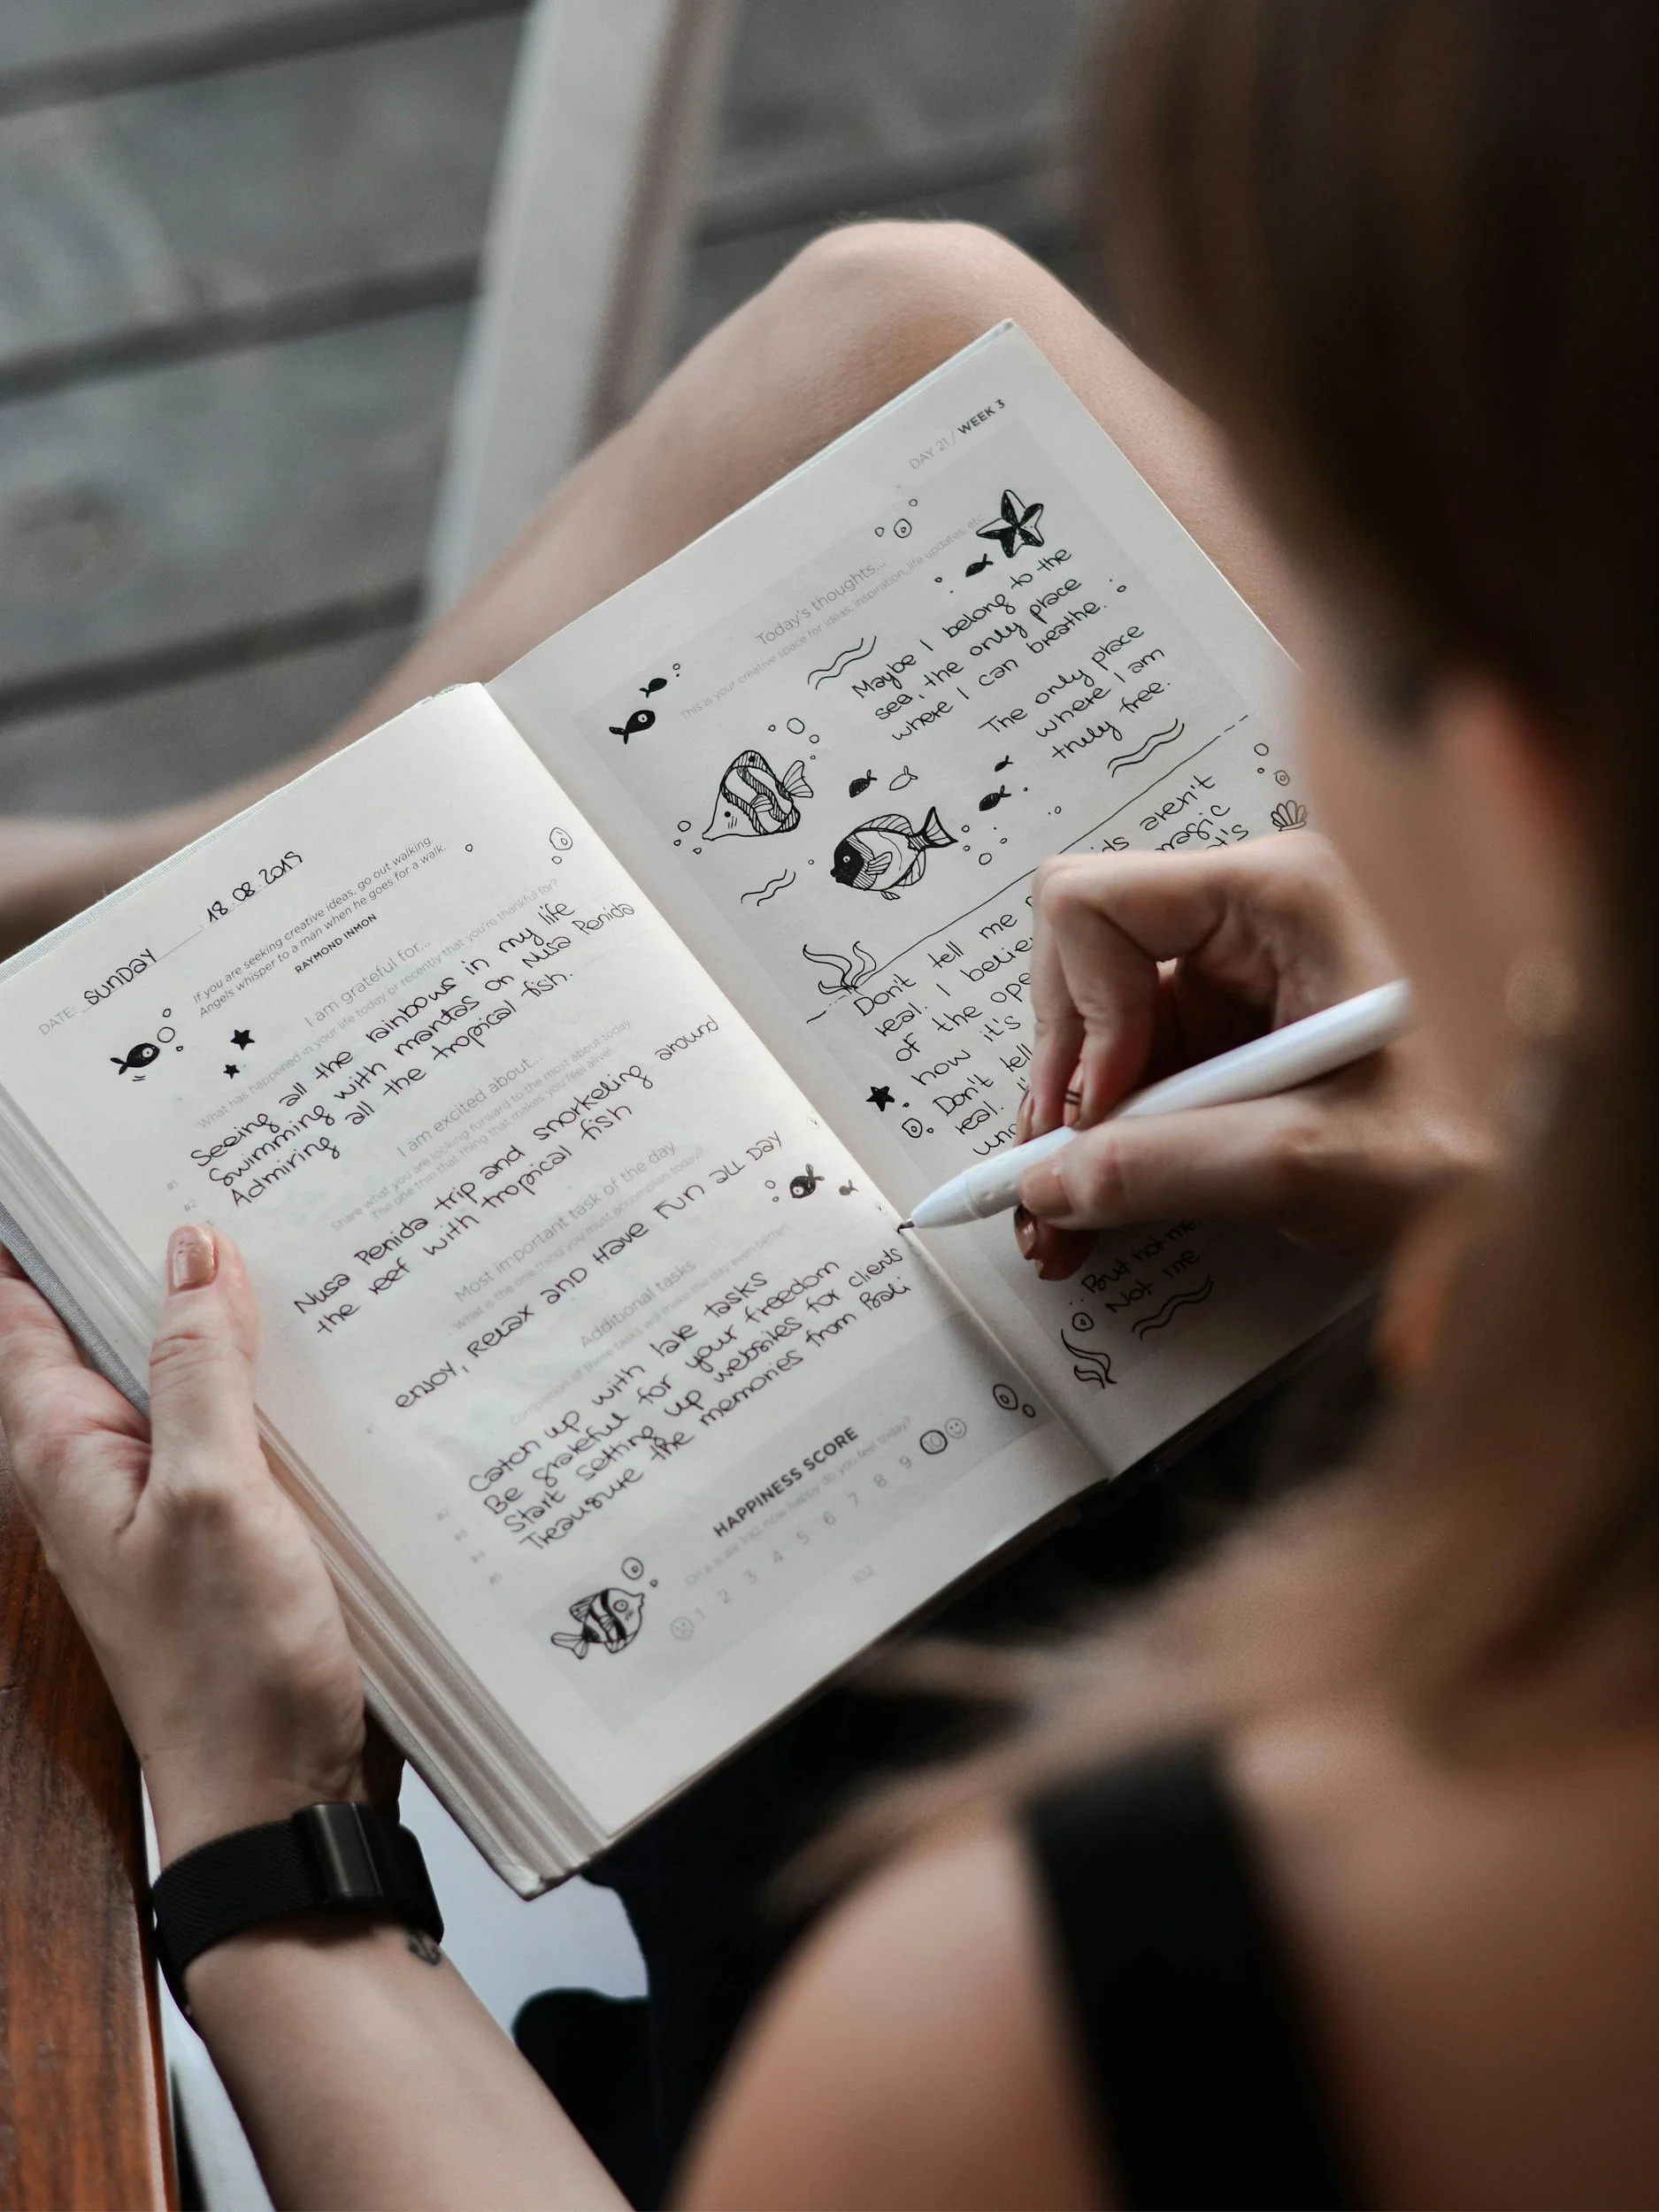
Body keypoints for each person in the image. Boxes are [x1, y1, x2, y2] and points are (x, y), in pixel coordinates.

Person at [4, 0, 1657, 2201]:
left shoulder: (1036, 2030)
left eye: (1342, 605)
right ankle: (149, 902)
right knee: (914, 337)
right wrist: (1542, 1130)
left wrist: (275, 1856)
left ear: (1528, 774)